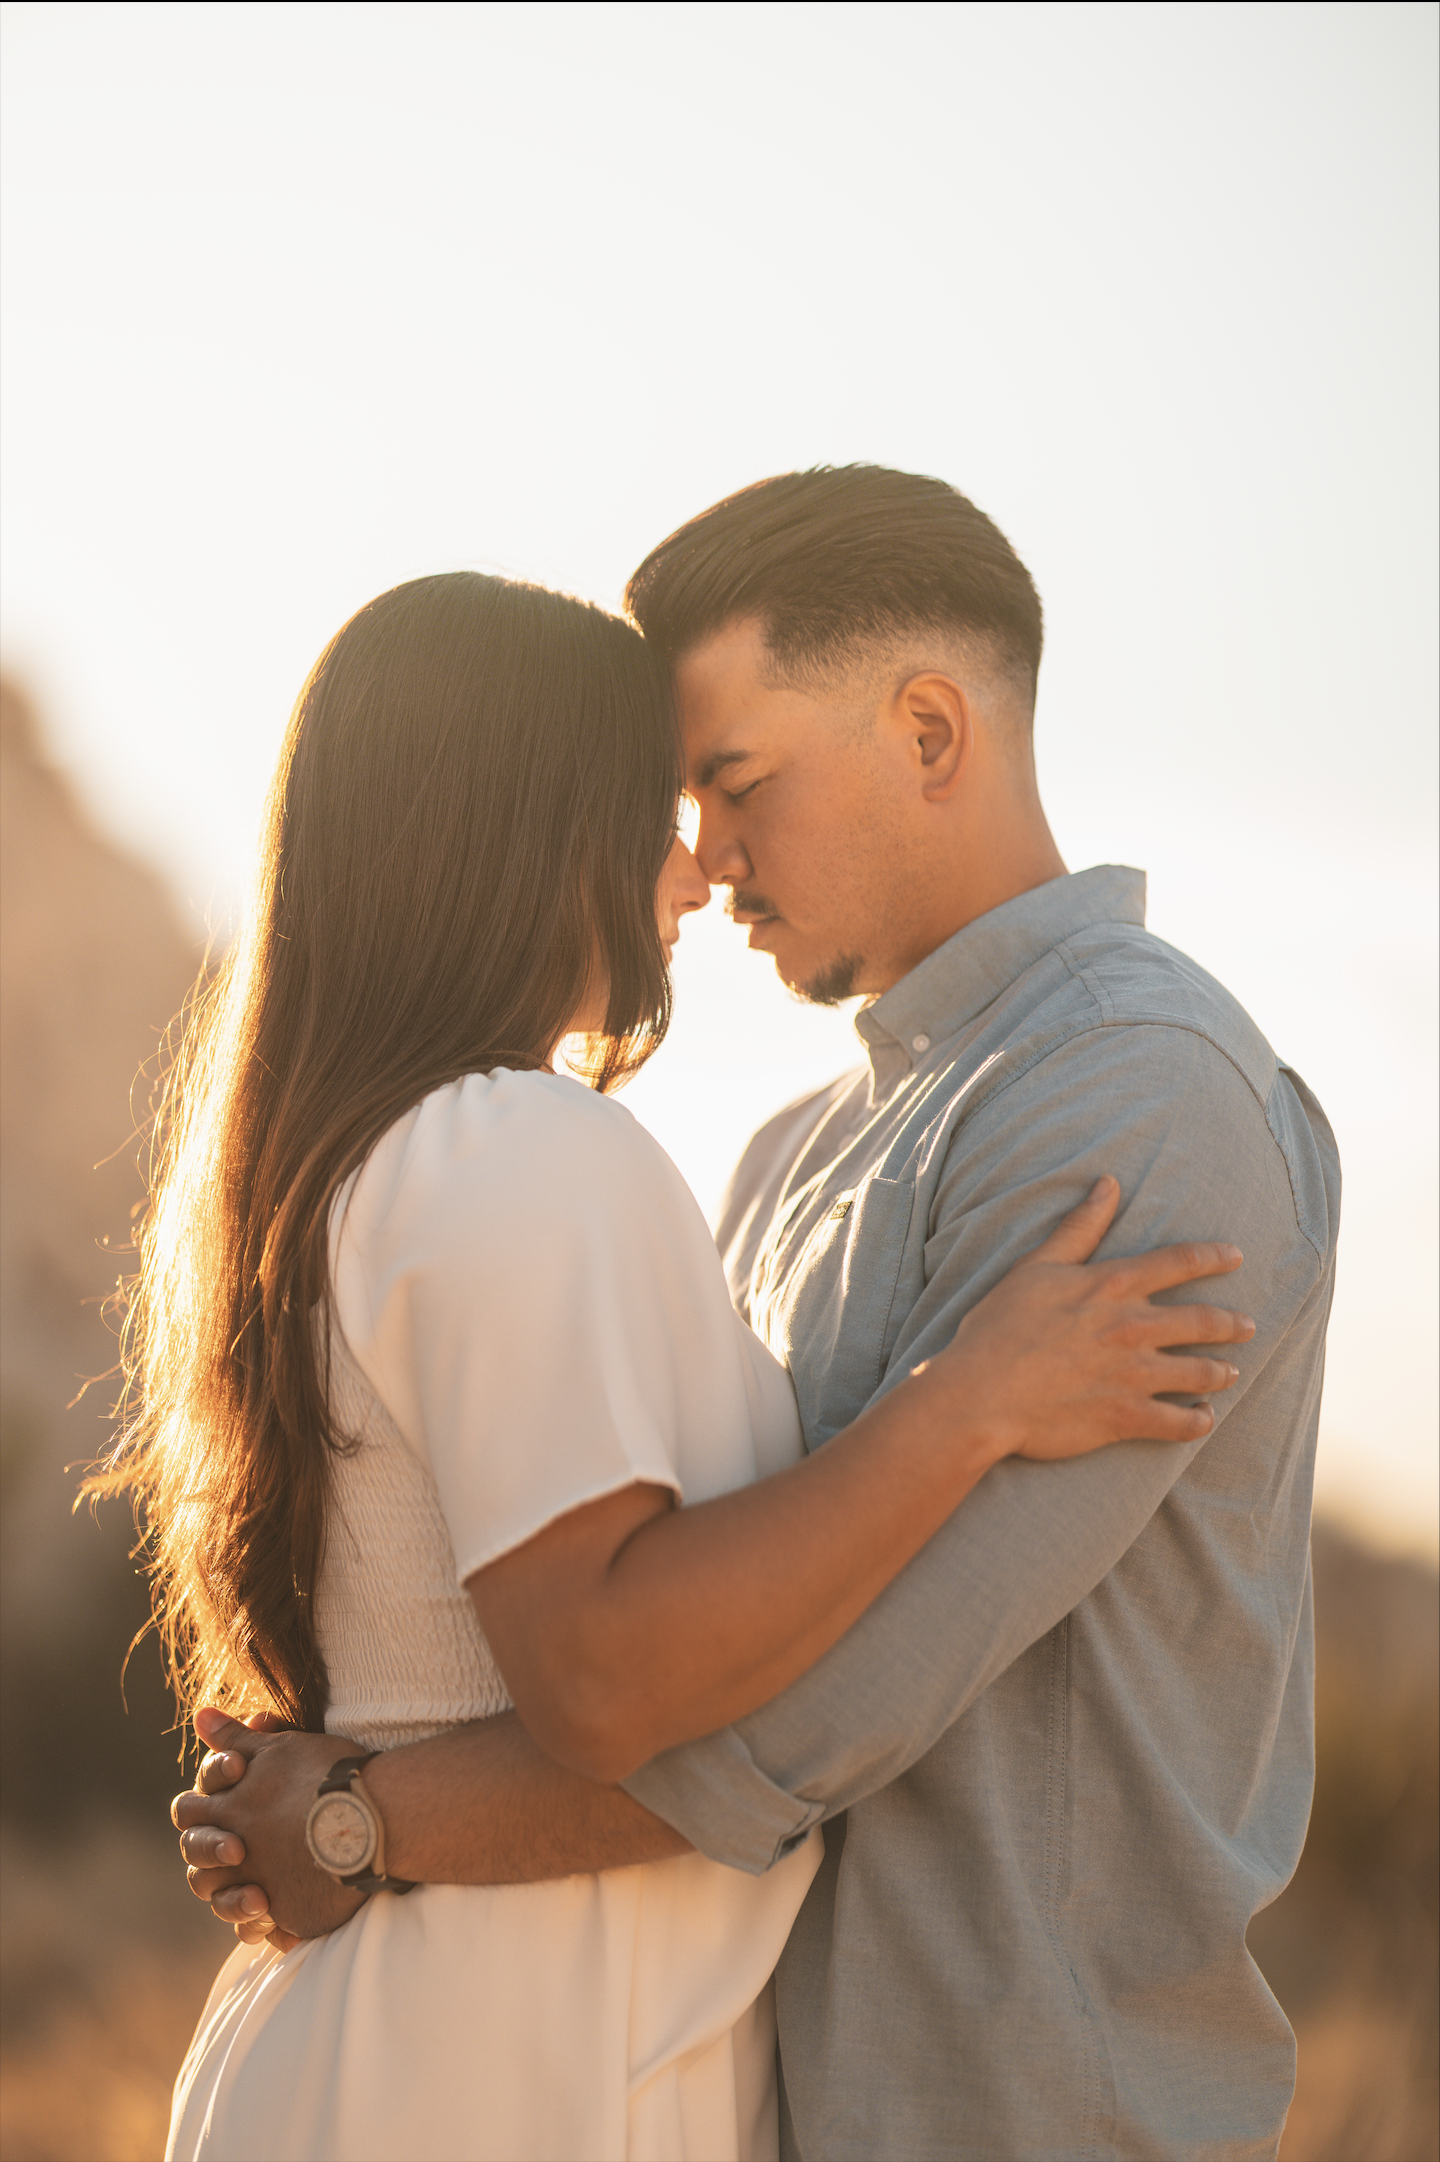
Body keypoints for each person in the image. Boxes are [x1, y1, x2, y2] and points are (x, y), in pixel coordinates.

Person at [179, 468, 1340, 2162]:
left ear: (930, 731)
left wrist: (365, 1814)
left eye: (732, 782)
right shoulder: (786, 1154)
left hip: (1015, 2107)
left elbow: (829, 1695)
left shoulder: (1139, 1101)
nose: (703, 859)